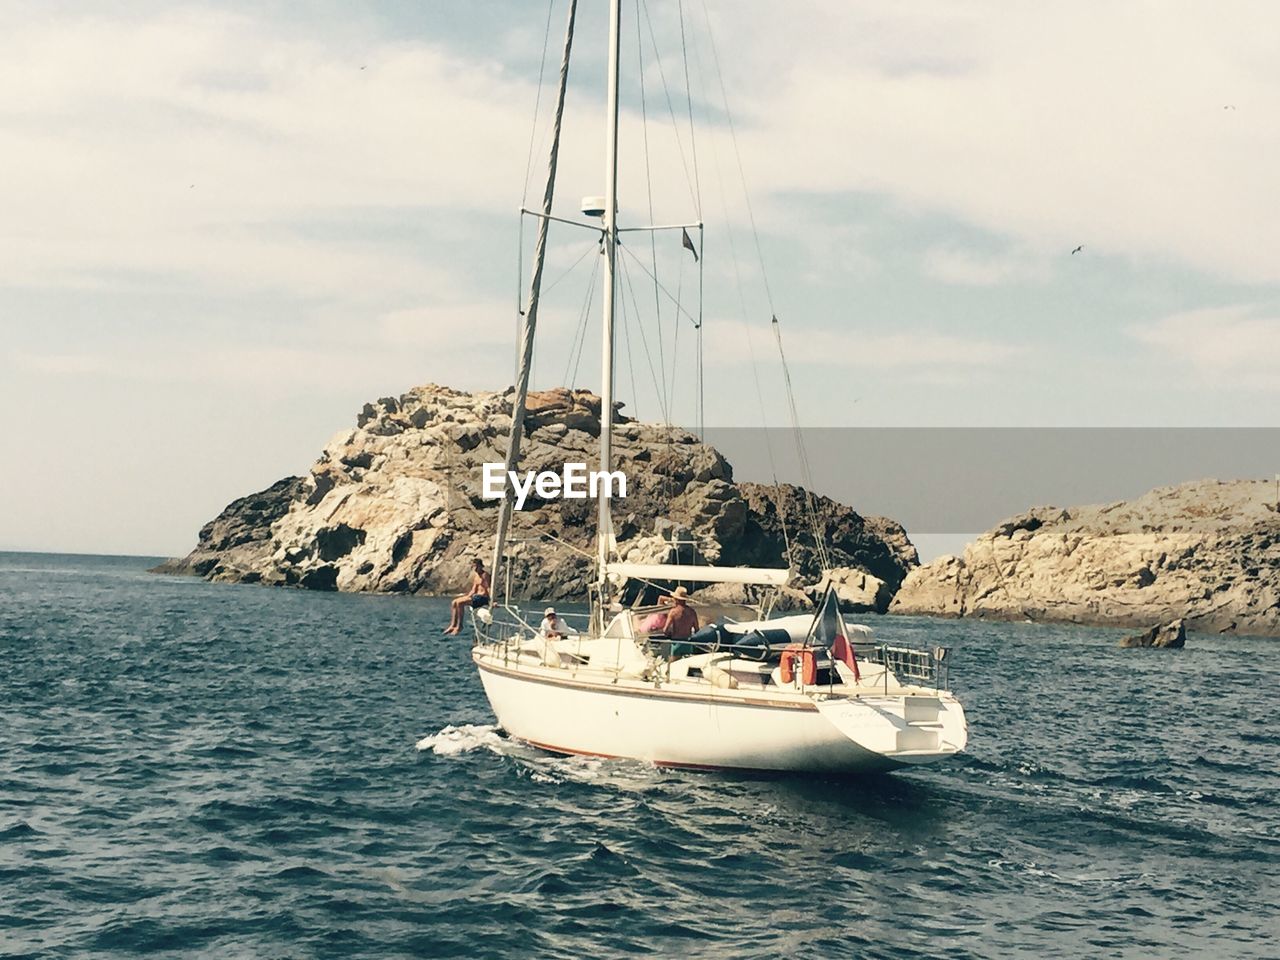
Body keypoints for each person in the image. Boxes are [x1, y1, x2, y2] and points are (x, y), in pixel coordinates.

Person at [444, 558, 491, 635]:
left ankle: (459, 626)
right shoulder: (476, 576)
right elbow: (473, 590)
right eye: (473, 567)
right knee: (454, 602)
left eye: (476, 566)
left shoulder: (485, 575)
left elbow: (488, 588)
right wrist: (467, 596)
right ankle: (453, 625)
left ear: (480, 566)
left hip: (482, 598)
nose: (475, 568)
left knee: (460, 603)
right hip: (476, 597)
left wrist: (492, 600)